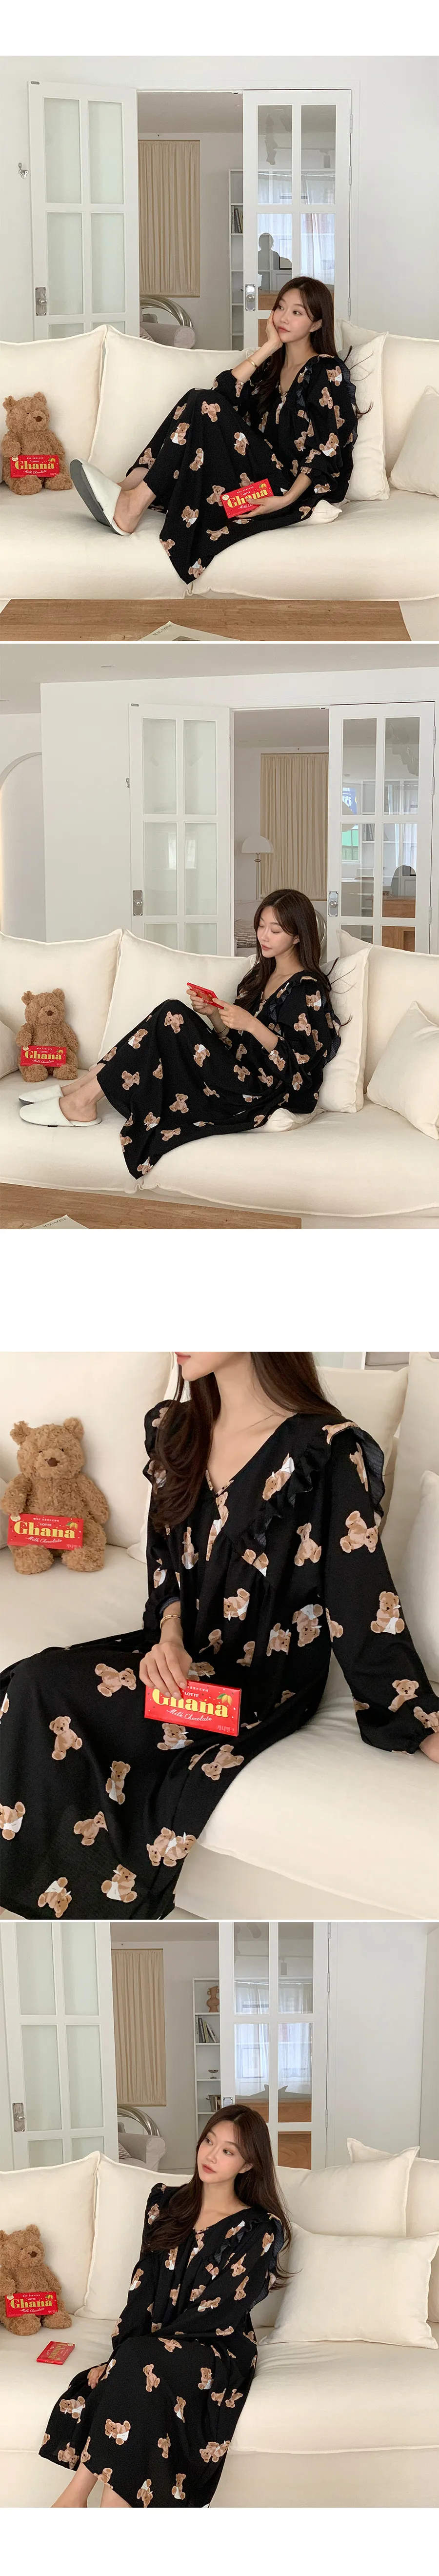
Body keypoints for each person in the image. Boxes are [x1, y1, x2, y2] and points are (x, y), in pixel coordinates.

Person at [1, 1351, 438, 1924]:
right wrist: (169, 1637)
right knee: (27, 1681)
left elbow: (362, 1603)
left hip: (254, 1691)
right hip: (179, 1656)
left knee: (41, 1685)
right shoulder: (178, 1430)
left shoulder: (325, 1450)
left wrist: (419, 1722)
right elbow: (164, 1562)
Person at [43, 2107, 289, 2509]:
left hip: (215, 2348)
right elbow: (143, 2289)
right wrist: (123, 2353)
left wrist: (130, 2356)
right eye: (209, 2141)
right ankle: (105, 2510)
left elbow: (220, 2311)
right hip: (151, 2349)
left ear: (248, 2164)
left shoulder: (258, 2229)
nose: (211, 2154)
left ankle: (73, 2497)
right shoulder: (165, 2203)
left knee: (140, 2362)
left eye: (228, 2151)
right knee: (140, 2371)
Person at [18, 890, 340, 1174]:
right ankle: (80, 1089)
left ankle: (83, 1099)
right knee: (170, 1011)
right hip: (236, 1070)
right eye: (261, 926)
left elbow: (299, 1068)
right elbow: (237, 1045)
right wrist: (215, 1016)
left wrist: (251, 1023)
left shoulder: (306, 988)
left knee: (171, 1013)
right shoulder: (262, 976)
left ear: (298, 937)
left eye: (275, 930)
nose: (264, 936)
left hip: (259, 1090)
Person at [68, 277, 359, 584]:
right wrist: (269, 347)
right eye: (281, 308)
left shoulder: (327, 370)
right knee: (198, 397)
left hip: (289, 486)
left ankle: (133, 503)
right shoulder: (271, 366)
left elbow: (328, 449)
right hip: (256, 474)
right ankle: (129, 487)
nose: (283, 318)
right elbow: (222, 392)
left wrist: (285, 501)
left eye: (297, 313)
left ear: (317, 324)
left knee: (203, 401)